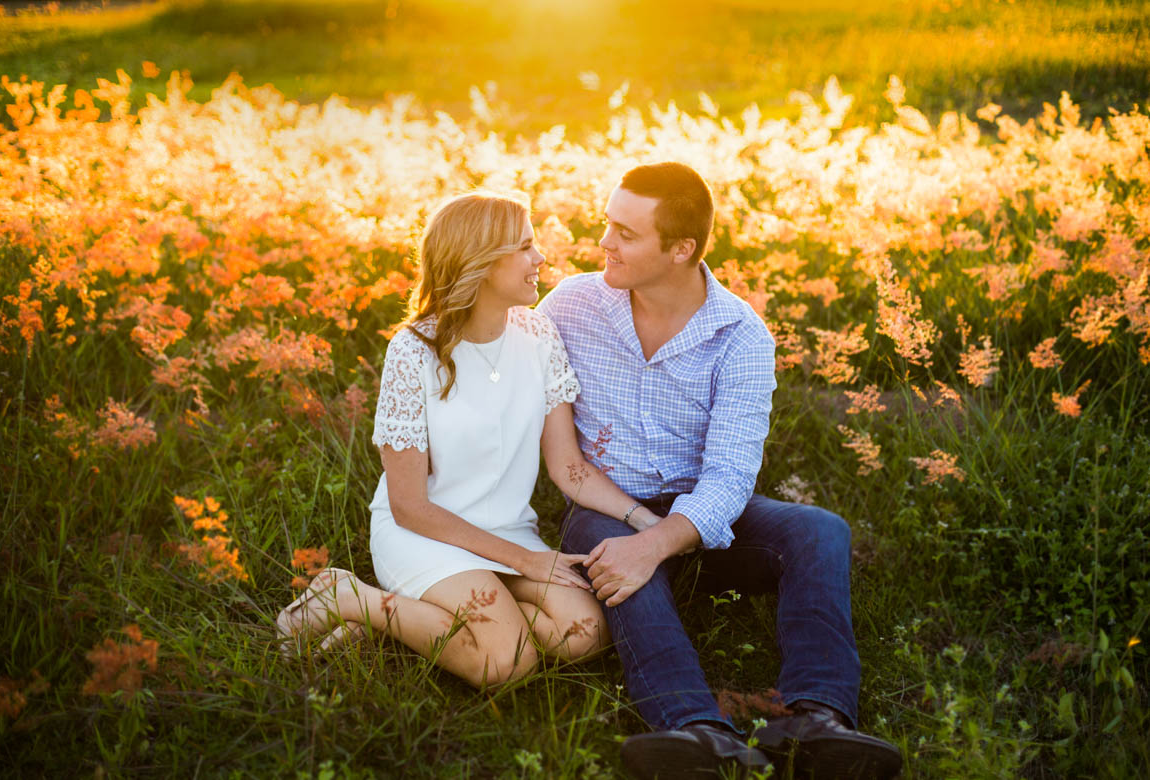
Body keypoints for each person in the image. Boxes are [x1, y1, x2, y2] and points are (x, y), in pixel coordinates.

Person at [538, 162, 902, 779]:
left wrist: (658, 542)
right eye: (608, 224)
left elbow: (731, 479)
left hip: (703, 519)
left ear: (681, 249)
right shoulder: (572, 305)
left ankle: (817, 719)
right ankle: (696, 729)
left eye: (626, 233)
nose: (604, 242)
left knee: (819, 530)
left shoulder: (741, 336)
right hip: (605, 508)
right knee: (614, 551)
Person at [276, 192, 665, 687]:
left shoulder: (538, 334)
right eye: (525, 248)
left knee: (583, 633)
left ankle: (404, 621)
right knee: (505, 662)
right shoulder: (414, 350)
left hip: (507, 531)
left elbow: (568, 468)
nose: (540, 259)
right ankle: (351, 597)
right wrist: (526, 562)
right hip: (425, 535)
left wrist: (648, 522)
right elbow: (410, 506)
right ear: (479, 263)